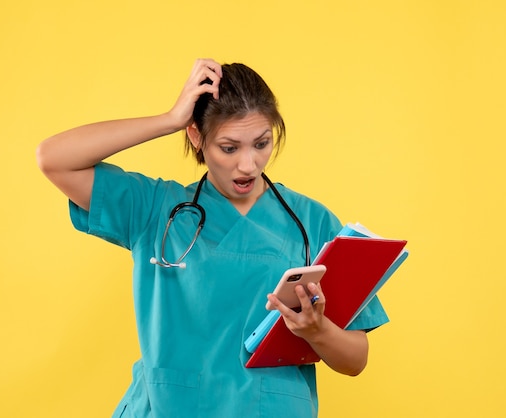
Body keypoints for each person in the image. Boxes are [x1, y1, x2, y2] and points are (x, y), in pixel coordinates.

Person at [36, 58, 389, 418]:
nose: (249, 164)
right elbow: (54, 159)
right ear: (196, 136)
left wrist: (317, 331)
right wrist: (170, 119)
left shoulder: (311, 222)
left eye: (261, 143)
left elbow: (355, 360)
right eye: (229, 147)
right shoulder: (154, 209)